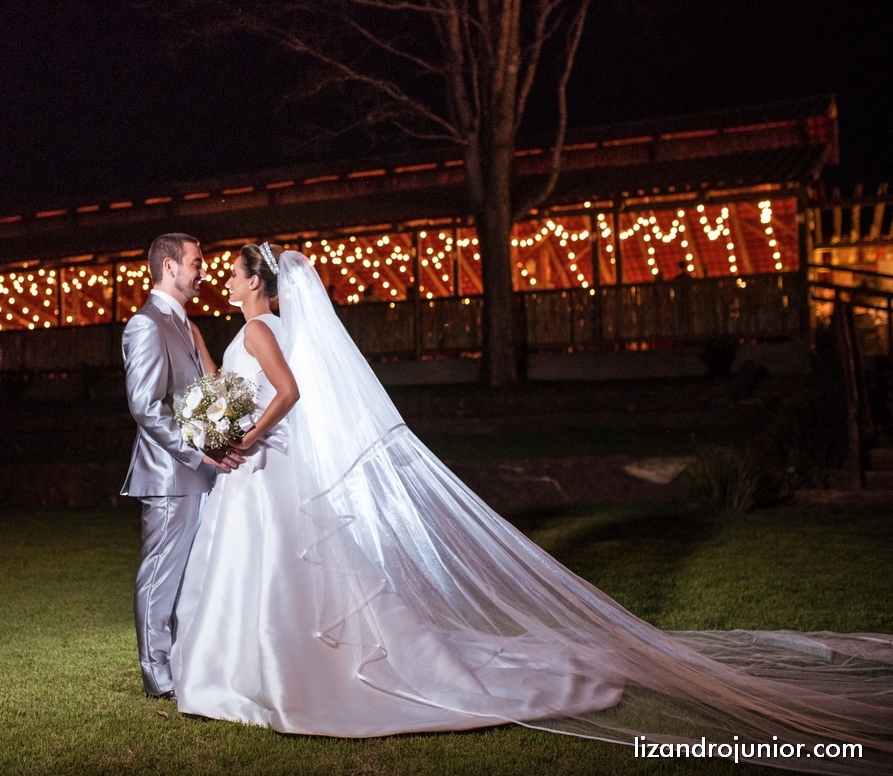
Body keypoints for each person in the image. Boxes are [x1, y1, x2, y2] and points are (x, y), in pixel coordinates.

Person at [171, 244, 893, 774]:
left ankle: (277, 678)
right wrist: (218, 413)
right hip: (256, 470)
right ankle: (250, 673)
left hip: (265, 465)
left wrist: (243, 436)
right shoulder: (247, 332)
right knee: (267, 574)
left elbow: (287, 395)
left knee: (283, 575)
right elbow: (241, 388)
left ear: (256, 281)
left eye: (232, 270)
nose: (225, 278)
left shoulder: (262, 330)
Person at [120, 232, 243, 701]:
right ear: (169, 267)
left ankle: (186, 662)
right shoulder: (146, 324)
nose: (202, 270)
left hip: (198, 473)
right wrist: (199, 455)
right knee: (160, 575)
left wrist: (223, 437)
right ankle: (157, 677)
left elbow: (197, 400)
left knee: (192, 577)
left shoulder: (184, 323)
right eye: (196, 262)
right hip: (171, 476)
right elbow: (147, 408)